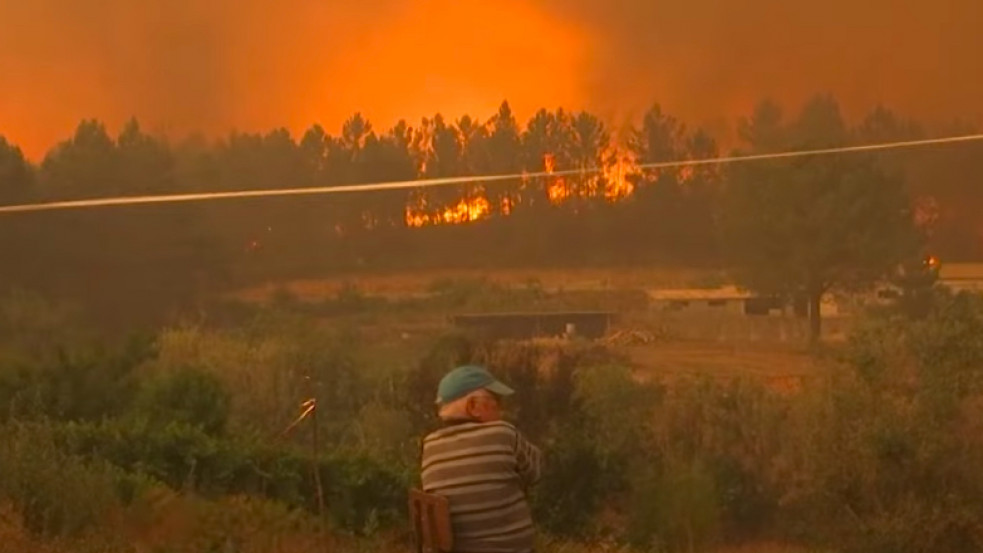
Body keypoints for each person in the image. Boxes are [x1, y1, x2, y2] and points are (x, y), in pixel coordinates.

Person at [420, 365, 543, 553]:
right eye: (495, 401)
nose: (500, 409)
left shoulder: (429, 445)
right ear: (473, 406)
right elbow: (535, 472)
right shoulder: (502, 432)